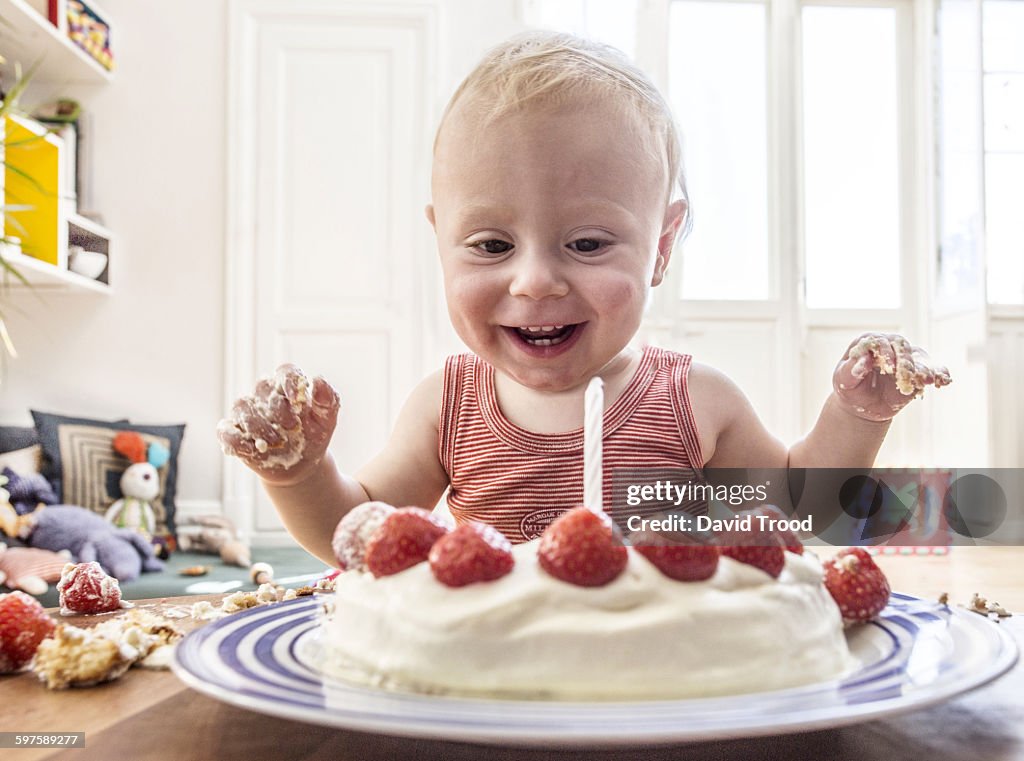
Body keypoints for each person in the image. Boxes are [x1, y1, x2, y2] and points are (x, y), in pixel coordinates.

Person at [217, 31, 950, 564]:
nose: (534, 280)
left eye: (589, 244)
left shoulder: (697, 400)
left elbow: (802, 509)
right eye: (492, 245)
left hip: (662, 687)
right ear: (441, 240)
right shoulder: (448, 404)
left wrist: (854, 414)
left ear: (661, 247)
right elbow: (356, 531)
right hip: (487, 693)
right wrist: (300, 472)